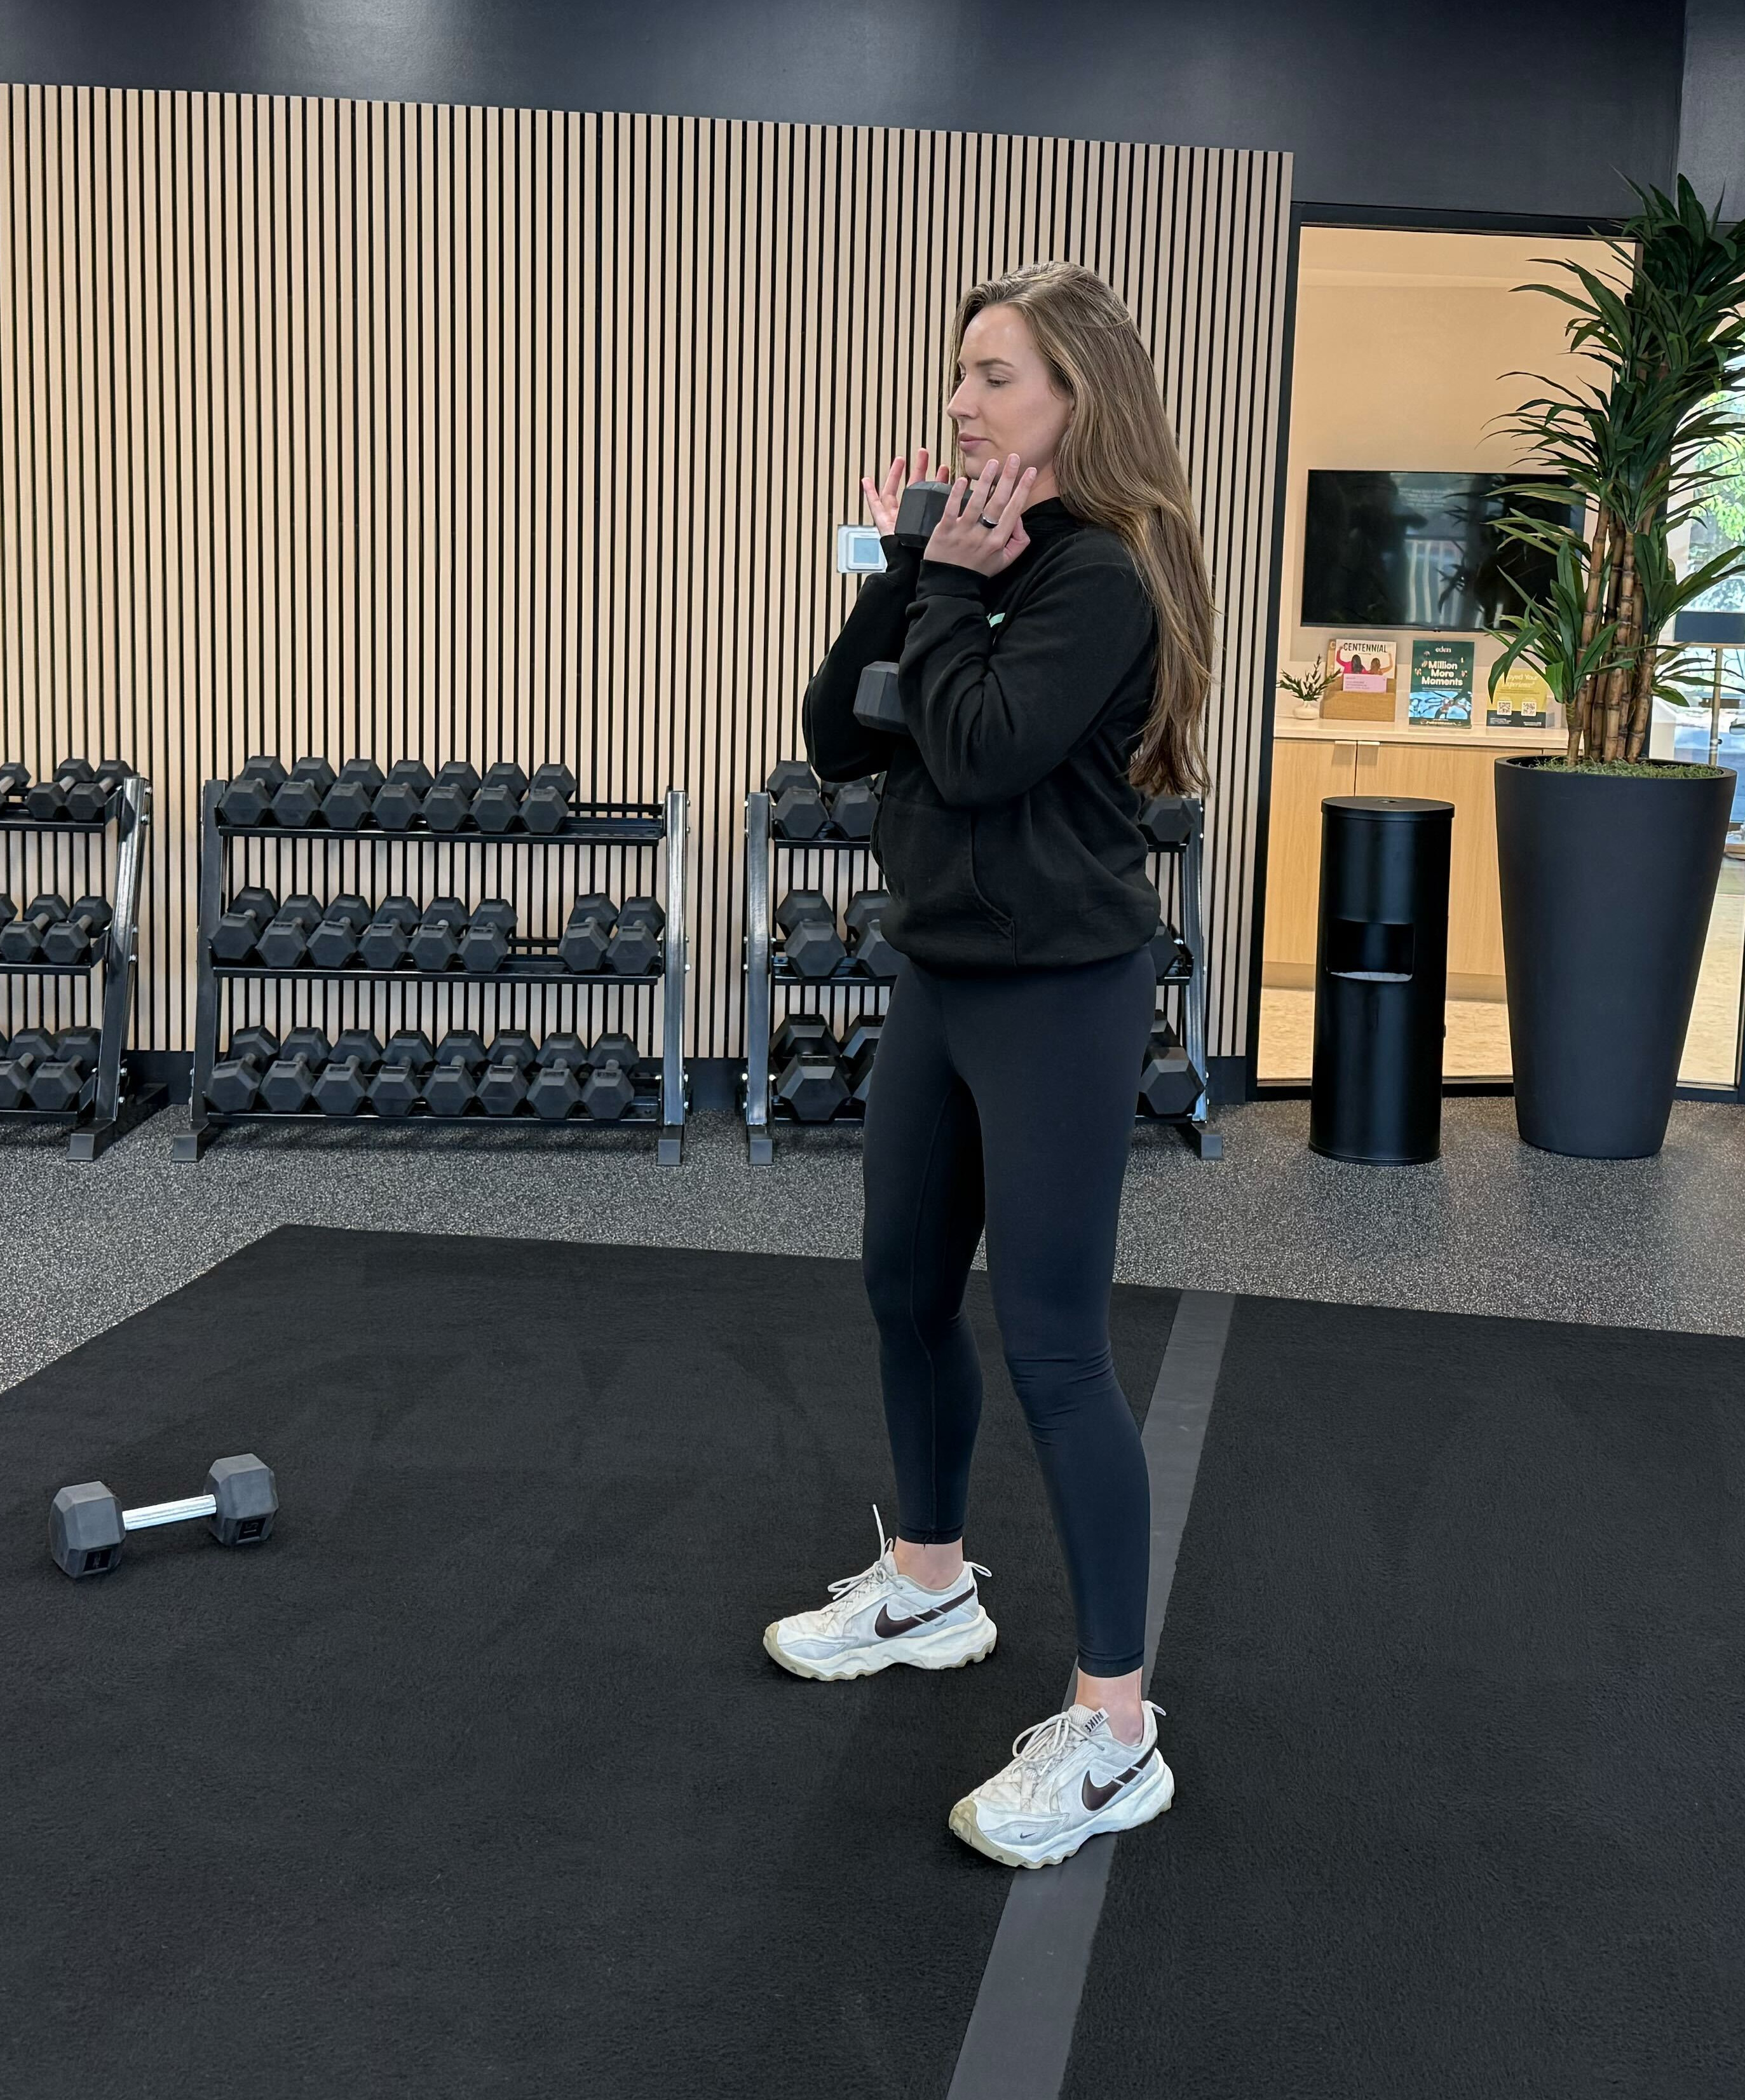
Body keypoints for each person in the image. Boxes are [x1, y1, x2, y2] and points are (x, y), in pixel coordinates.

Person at [765, 260, 1214, 1869]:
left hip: (1059, 992)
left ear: (1073, 401)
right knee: (900, 1285)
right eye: (958, 373)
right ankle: (931, 1583)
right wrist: (902, 572)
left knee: (1053, 1348)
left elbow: (963, 745)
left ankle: (1112, 1731)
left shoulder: (1095, 575)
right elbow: (839, 732)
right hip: (942, 974)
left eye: (993, 376)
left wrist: (949, 586)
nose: (959, 401)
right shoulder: (968, 555)